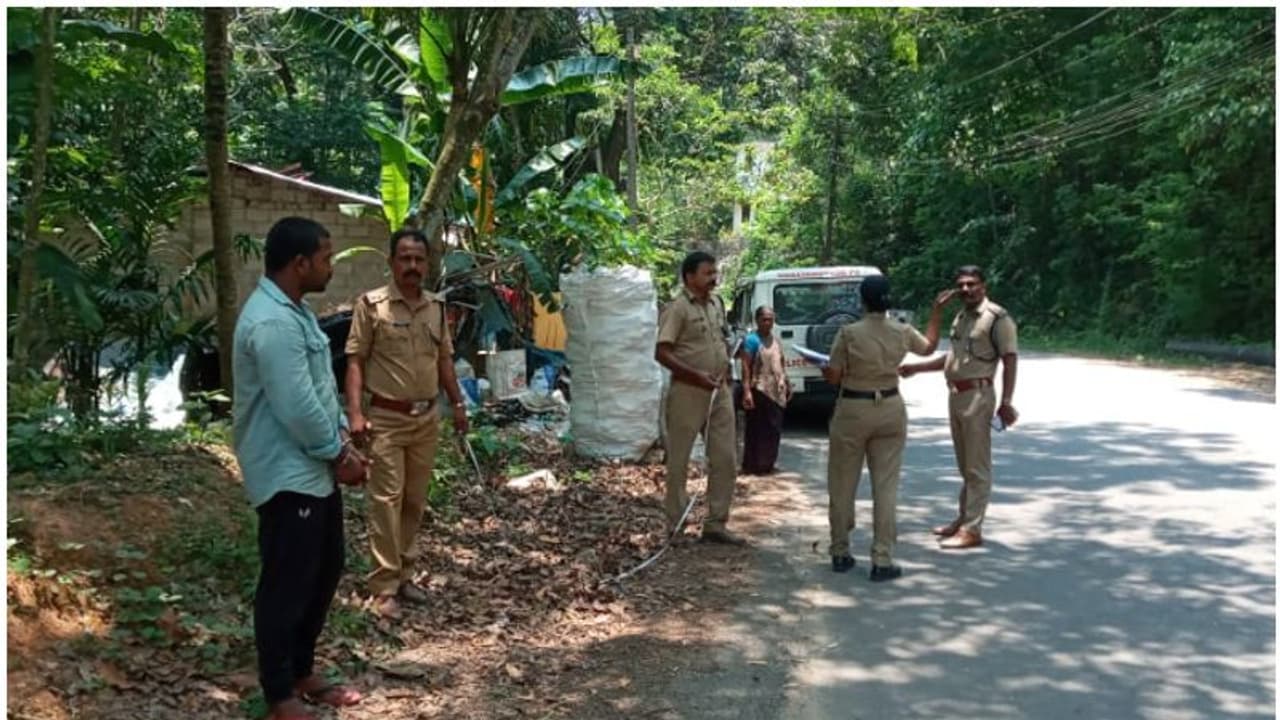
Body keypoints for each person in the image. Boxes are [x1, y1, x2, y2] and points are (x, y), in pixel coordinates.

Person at [232, 217, 369, 720]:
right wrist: (338, 455)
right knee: (287, 582)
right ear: (300, 263)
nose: (331, 267)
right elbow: (295, 407)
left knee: (323, 569)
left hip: (312, 469)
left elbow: (319, 393)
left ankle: (302, 670)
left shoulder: (296, 313)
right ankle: (278, 694)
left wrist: (342, 449)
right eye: (327, 258)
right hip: (287, 474)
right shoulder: (271, 323)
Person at [345, 228, 469, 618]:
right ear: (392, 262)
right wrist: (355, 414)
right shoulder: (371, 306)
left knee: (414, 501)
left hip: (426, 419)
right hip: (385, 419)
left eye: (418, 259)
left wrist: (458, 403)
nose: (412, 266)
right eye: (405, 258)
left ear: (427, 264)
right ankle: (383, 585)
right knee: (386, 500)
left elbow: (445, 360)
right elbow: (355, 361)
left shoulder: (435, 307)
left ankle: (404, 575)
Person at [822, 275, 949, 580]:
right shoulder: (902, 331)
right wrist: (936, 311)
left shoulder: (848, 333)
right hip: (890, 408)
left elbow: (835, 378)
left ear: (861, 301)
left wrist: (826, 370)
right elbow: (929, 347)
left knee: (842, 483)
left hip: (853, 409)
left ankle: (840, 552)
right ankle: (882, 559)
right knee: (886, 487)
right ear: (889, 300)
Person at [899, 264, 1019, 550]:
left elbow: (1010, 360)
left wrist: (1006, 402)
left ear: (984, 286)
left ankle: (972, 529)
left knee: (977, 467)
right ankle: (964, 519)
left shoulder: (996, 318)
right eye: (962, 285)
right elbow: (951, 358)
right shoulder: (962, 316)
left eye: (972, 284)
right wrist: (917, 368)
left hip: (979, 397)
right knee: (965, 465)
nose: (966, 289)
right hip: (956, 397)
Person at [655, 250, 749, 545]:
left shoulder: (717, 304)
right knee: (679, 460)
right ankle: (676, 526)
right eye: (707, 273)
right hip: (688, 391)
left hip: (719, 391)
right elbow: (661, 352)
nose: (714, 278)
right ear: (689, 276)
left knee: (725, 458)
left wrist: (728, 373)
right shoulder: (678, 309)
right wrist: (695, 375)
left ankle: (716, 524)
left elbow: (722, 340)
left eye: (714, 272)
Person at [739, 305, 791, 475]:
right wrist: (747, 391)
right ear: (757, 320)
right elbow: (745, 366)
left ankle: (768, 464)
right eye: (764, 319)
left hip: (776, 391)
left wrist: (787, 382)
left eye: (771, 319)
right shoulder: (752, 340)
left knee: (773, 429)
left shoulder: (775, 340)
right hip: (759, 389)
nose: (768, 323)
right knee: (757, 429)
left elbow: (781, 364)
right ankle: (753, 465)